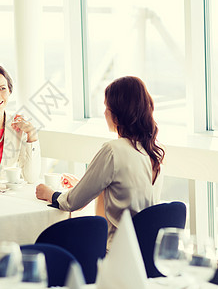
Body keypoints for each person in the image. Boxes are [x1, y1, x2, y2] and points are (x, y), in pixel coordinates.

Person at [36, 76, 165, 248]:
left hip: (116, 250)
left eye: (107, 107)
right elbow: (130, 195)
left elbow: (73, 202)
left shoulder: (114, 150)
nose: (104, 112)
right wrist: (90, 187)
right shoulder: (153, 152)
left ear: (119, 114)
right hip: (146, 249)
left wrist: (50, 193)